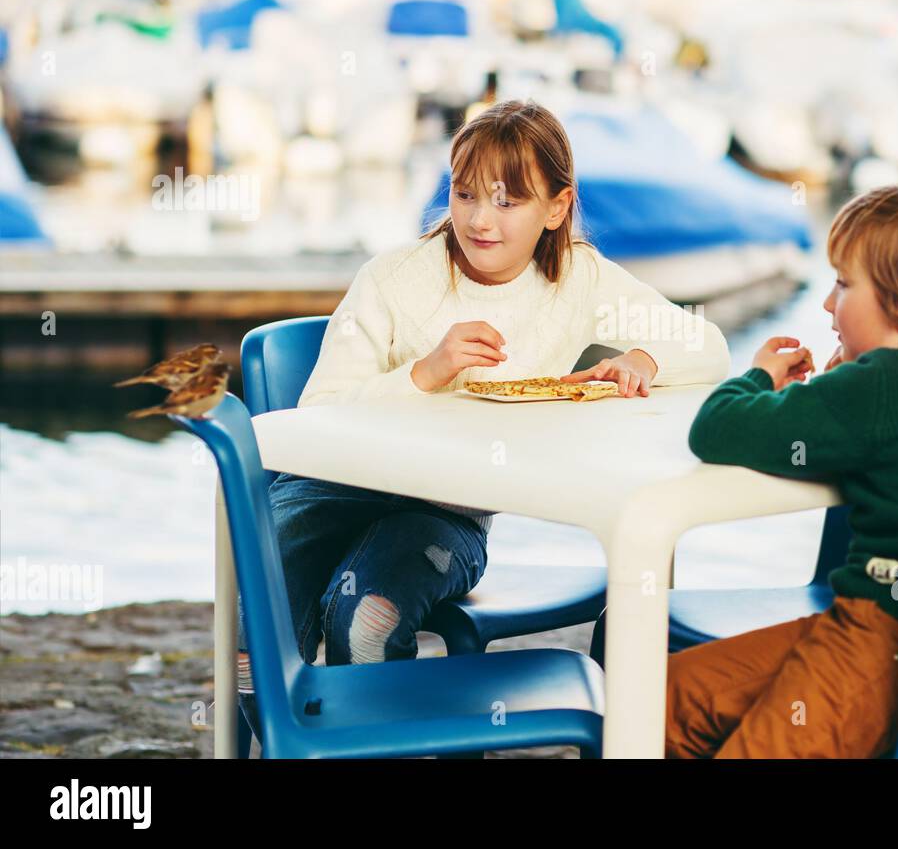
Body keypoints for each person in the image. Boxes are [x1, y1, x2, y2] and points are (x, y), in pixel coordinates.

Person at [237, 99, 730, 739]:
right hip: (327, 490)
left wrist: (641, 355)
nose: (478, 218)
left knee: (367, 617)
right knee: (264, 612)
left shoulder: (579, 280)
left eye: (506, 201)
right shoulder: (393, 281)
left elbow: (708, 345)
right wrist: (425, 373)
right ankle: (282, 744)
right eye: (465, 194)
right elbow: (319, 417)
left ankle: (375, 751)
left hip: (443, 510)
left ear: (556, 207)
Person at [669, 173, 898, 758]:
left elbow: (717, 429)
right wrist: (849, 381)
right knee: (670, 697)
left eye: (843, 284)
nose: (826, 302)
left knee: (652, 712)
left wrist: (761, 375)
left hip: (880, 643)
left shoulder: (880, 386)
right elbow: (896, 436)